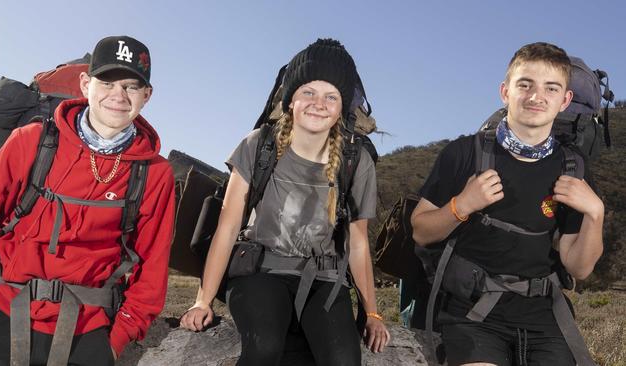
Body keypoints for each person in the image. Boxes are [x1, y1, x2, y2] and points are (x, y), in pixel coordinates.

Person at [180, 38, 390, 365]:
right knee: (263, 347)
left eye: (331, 96)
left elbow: (358, 241)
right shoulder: (258, 145)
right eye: (308, 92)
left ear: (342, 106)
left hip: (323, 279)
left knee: (343, 360)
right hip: (259, 272)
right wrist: (202, 301)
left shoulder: (355, 161)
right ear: (291, 98)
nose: (318, 103)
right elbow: (228, 224)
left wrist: (373, 312)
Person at [0, 35, 175, 365]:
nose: (118, 96)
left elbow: (152, 271)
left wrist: (115, 341)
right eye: (107, 82)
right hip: (0, 308)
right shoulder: (32, 141)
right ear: (85, 84)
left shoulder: (154, 173)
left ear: (147, 95)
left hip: (88, 328)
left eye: (131, 86)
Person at [411, 42, 604, 365]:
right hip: (471, 311)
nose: (536, 96)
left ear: (564, 100)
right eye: (524, 84)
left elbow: (579, 267)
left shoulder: (574, 169)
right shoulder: (463, 153)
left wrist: (595, 214)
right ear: (505, 91)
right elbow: (420, 231)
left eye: (551, 88)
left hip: (543, 316)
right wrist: (462, 205)